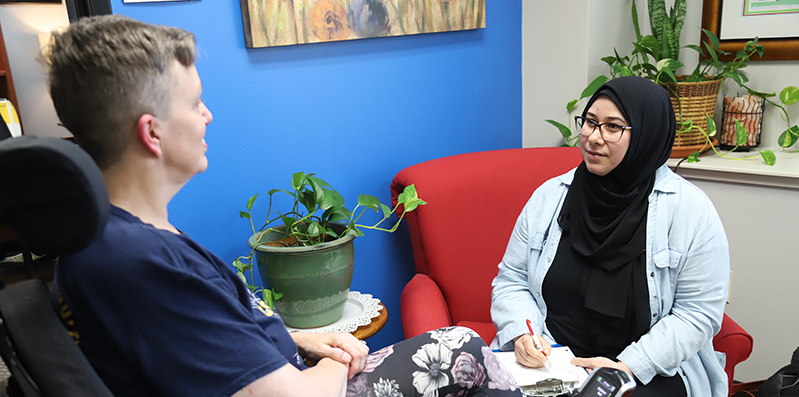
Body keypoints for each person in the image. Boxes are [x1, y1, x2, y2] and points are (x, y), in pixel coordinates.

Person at [44, 15, 524, 397]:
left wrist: (300, 340)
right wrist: (335, 360)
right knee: (465, 350)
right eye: (195, 103)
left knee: (462, 347)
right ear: (152, 133)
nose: (207, 115)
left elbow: (200, 341)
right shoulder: (139, 264)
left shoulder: (115, 235)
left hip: (288, 368)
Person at [490, 76, 730, 397]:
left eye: (612, 127)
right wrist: (523, 333)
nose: (593, 137)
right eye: (589, 122)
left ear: (647, 134)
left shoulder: (690, 210)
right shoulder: (549, 197)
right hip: (551, 363)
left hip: (646, 371)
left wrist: (629, 365)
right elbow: (512, 280)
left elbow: (697, 314)